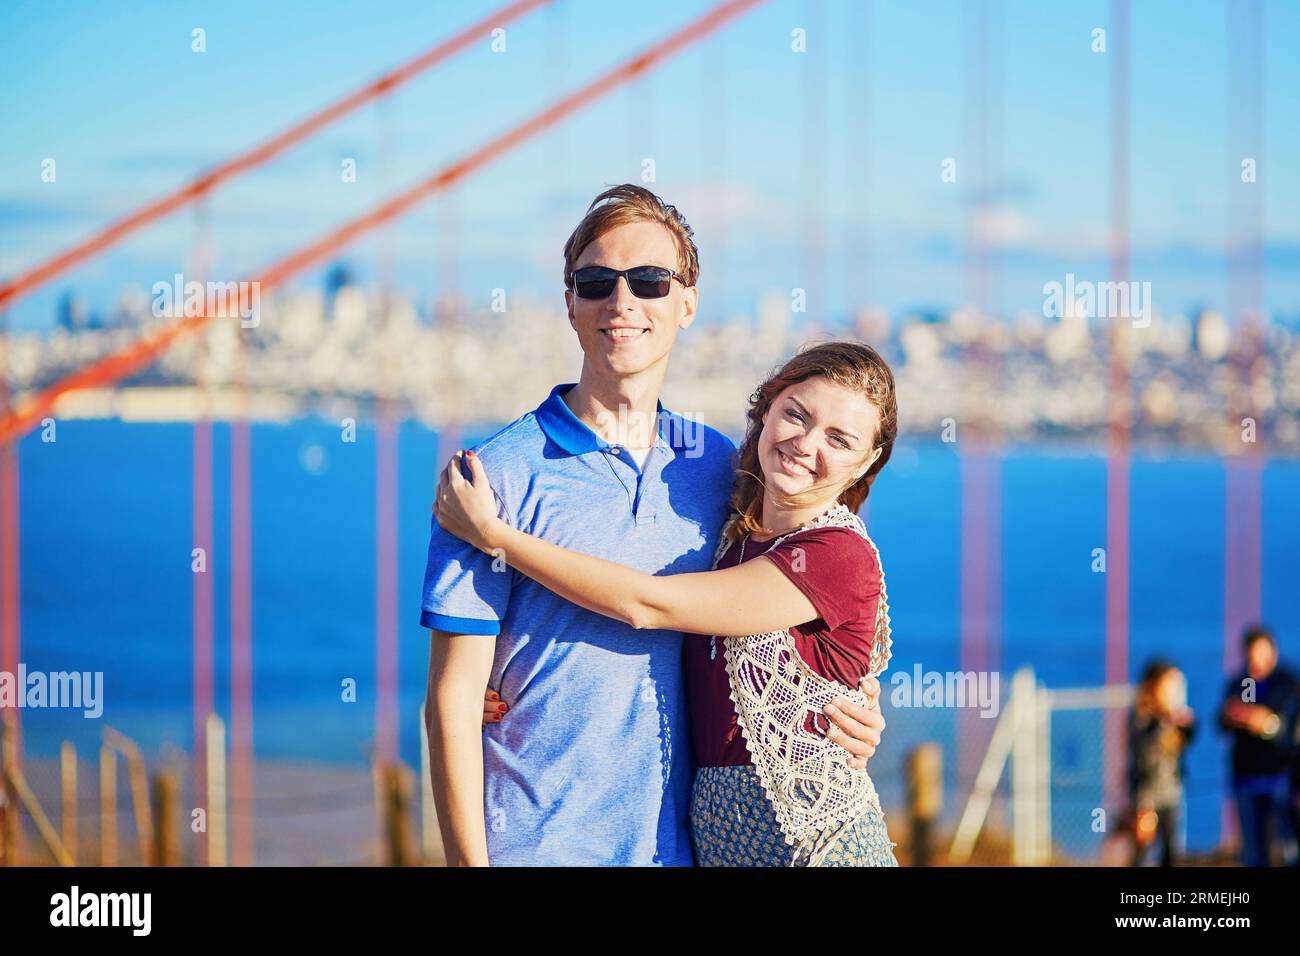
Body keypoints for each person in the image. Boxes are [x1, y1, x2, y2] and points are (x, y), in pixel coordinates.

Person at [421, 185, 885, 866]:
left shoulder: (720, 469)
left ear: (688, 303)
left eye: (650, 281)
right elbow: (454, 699)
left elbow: (800, 619)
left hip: (684, 851)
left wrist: (852, 710)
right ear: (570, 301)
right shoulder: (491, 480)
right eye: (596, 281)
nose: (623, 302)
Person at [1218, 625, 1300, 866]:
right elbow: (1224, 722)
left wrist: (1269, 724)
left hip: (1280, 777)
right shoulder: (1242, 684)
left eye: (1261, 655)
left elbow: (1290, 725)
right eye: (1251, 656)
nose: (1256, 663)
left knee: (1289, 848)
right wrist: (1233, 717)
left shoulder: (1288, 683)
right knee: (1254, 853)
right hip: (1246, 777)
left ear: (1272, 653)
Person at [1127, 659, 1196, 866]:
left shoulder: (1175, 715)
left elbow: (1185, 741)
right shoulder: (1142, 715)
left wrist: (1186, 724)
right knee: (1142, 847)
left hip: (1171, 790)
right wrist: (1164, 720)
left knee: (1170, 850)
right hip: (1146, 793)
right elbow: (1141, 746)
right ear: (1155, 685)